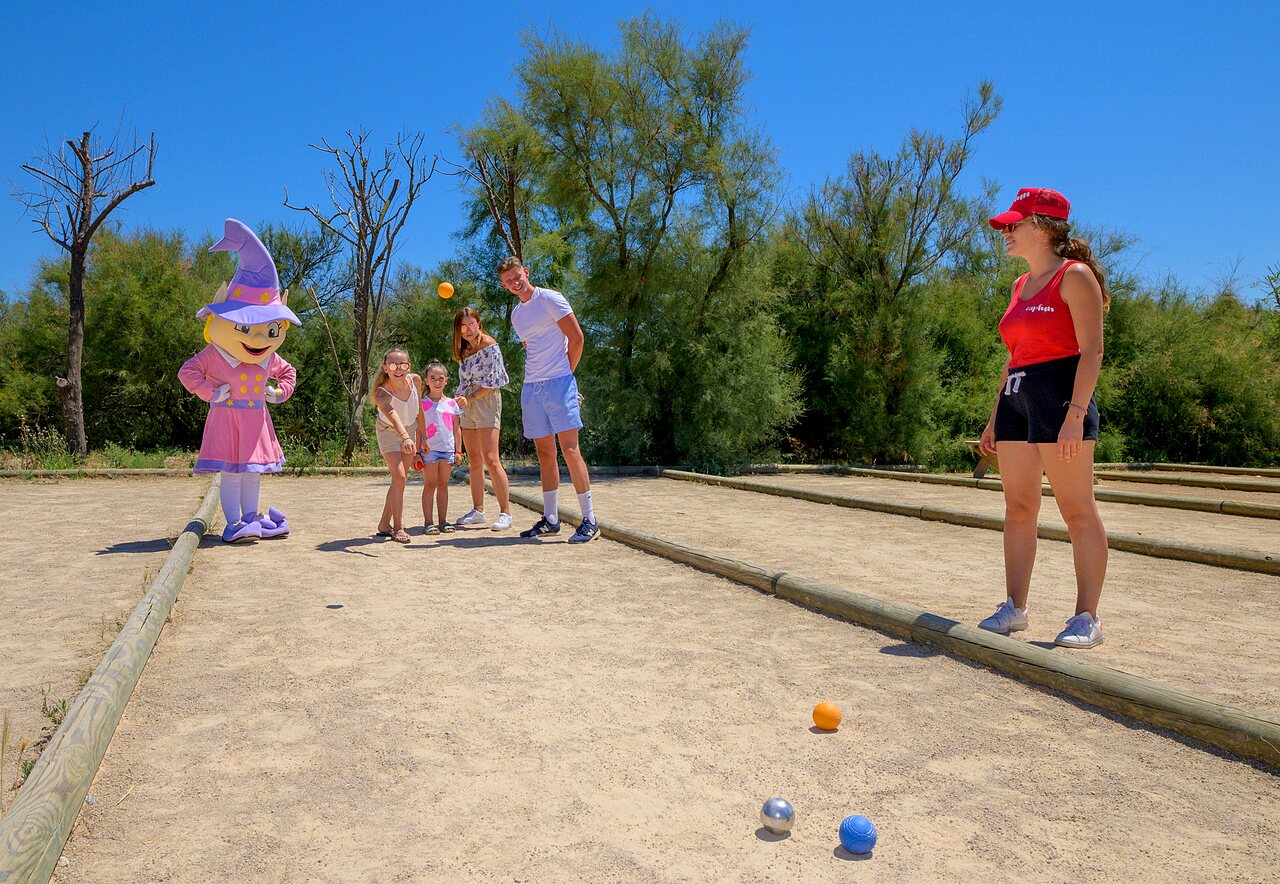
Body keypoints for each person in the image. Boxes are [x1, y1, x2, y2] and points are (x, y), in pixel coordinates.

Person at [978, 187, 1109, 649]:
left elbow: (1091, 350)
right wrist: (996, 415)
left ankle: (1087, 618)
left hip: (1060, 397)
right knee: (1018, 509)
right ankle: (1015, 608)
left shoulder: (1074, 277)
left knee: (1077, 511)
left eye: (1014, 225)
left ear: (1043, 227)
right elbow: (1014, 357)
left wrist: (1075, 415)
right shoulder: (1019, 286)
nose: (1006, 233)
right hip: (1017, 396)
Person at [179, 219, 300, 543]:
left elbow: (288, 373)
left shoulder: (268, 358)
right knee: (231, 474)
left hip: (256, 421)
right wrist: (210, 392)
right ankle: (234, 523)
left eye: (271, 328)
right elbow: (187, 372)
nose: (260, 337)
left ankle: (251, 517)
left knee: (252, 474)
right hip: (227, 419)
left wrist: (279, 392)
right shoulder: (214, 354)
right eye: (247, 326)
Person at [496, 256, 598, 543]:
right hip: (532, 387)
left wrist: (566, 378)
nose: (514, 283)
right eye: (508, 281)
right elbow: (532, 348)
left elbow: (576, 339)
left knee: (570, 449)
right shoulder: (517, 315)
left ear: (526, 272)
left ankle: (589, 519)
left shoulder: (551, 299)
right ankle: (551, 519)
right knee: (544, 454)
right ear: (505, 286)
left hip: (559, 383)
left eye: (517, 276)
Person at [450, 307, 514, 531]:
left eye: (472, 324)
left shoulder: (489, 345)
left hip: (486, 402)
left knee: (491, 458)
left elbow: (496, 380)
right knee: (475, 460)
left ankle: (505, 513)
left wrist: (473, 397)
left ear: (479, 323)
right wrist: (461, 399)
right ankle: (478, 511)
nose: (468, 330)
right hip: (467, 405)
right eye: (463, 326)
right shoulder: (463, 349)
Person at [371, 348, 424, 544]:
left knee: (399, 480)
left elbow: (419, 412)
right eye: (393, 364)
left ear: (408, 366)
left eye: (403, 364)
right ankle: (399, 527)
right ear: (386, 368)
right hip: (389, 431)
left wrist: (422, 438)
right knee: (400, 475)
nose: (398, 368)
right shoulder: (382, 393)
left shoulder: (415, 380)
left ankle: (384, 524)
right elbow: (392, 416)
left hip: (410, 429)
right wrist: (405, 437)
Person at [418, 360, 465, 536]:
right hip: (429, 450)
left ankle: (443, 521)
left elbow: (456, 429)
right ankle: (429, 522)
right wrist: (417, 451)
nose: (437, 381)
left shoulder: (453, 404)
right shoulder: (421, 404)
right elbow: (418, 429)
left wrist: (458, 451)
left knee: (443, 484)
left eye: (441, 378)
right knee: (430, 484)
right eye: (433, 378)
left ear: (446, 380)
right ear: (426, 381)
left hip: (447, 450)